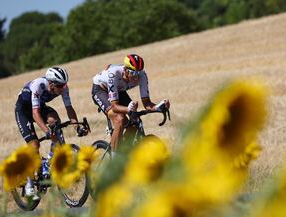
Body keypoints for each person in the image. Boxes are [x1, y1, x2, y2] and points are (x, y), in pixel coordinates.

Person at [15, 66, 88, 199]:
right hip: (24, 111)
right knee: (34, 145)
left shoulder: (63, 88)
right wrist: (47, 131)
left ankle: (49, 160)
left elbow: (69, 108)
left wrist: (77, 126)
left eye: (64, 85)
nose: (63, 88)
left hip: (39, 107)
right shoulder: (39, 85)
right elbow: (35, 114)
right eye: (60, 86)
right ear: (51, 84)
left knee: (55, 121)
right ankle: (29, 184)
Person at [91, 54, 170, 158]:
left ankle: (123, 148)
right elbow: (114, 106)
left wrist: (159, 107)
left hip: (119, 90)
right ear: (125, 70)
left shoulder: (142, 75)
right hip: (101, 90)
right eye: (133, 72)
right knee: (119, 119)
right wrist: (128, 109)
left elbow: (147, 103)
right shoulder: (113, 74)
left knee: (135, 120)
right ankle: (115, 159)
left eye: (138, 72)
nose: (136, 76)